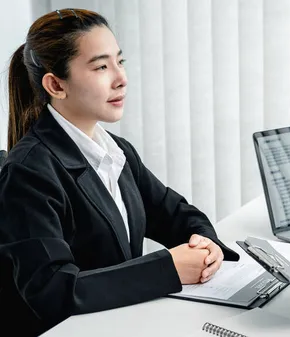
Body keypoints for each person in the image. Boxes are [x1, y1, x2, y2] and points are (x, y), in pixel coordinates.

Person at [0, 9, 239, 336]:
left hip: (123, 323)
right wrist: (166, 269)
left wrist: (205, 242)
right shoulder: (28, 172)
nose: (120, 78)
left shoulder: (116, 150)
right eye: (100, 66)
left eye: (119, 62)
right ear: (56, 84)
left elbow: (175, 213)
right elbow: (53, 291)